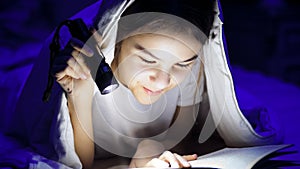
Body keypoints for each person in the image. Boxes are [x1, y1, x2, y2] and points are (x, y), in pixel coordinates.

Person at [31, 0, 283, 168]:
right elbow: (80, 163)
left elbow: (188, 134)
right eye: (147, 59)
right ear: (117, 40)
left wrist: (150, 148)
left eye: (182, 65)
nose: (163, 80)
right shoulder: (88, 71)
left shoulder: (193, 70)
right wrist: (79, 95)